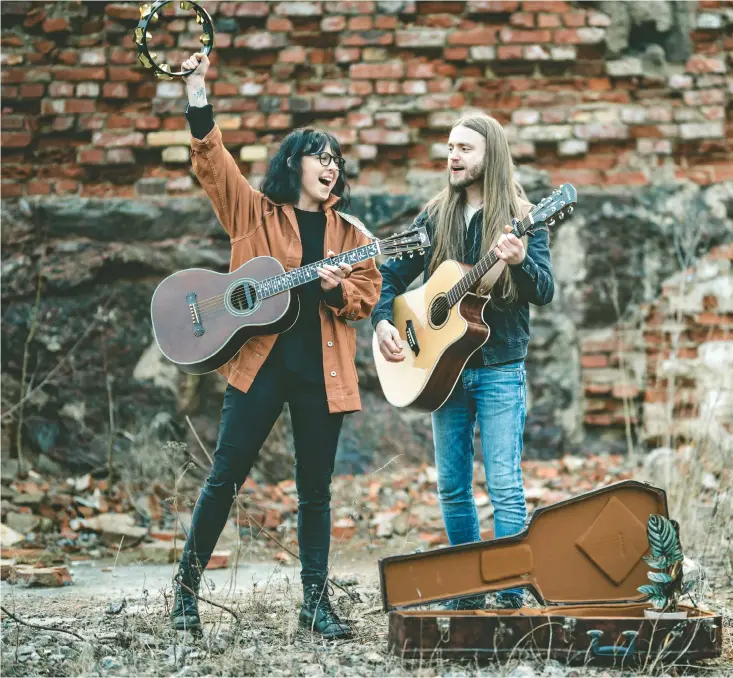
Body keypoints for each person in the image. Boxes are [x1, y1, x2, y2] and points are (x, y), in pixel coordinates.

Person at [170, 52, 381, 638]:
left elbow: (367, 295)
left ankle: (316, 606)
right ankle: (184, 593)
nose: (330, 166)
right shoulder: (253, 214)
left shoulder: (352, 235)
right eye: (320, 155)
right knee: (225, 477)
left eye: (337, 159)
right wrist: (197, 90)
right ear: (294, 163)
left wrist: (339, 293)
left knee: (315, 491)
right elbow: (213, 165)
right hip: (260, 366)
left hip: (323, 372)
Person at [371, 112, 554, 610]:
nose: (452, 156)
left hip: (499, 369)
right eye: (450, 146)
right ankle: (467, 585)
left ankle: (509, 591)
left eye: (464, 148)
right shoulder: (435, 217)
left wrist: (520, 261)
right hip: (441, 372)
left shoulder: (524, 216)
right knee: (452, 486)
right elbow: (390, 276)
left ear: (489, 156)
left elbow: (546, 290)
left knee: (504, 486)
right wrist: (384, 320)